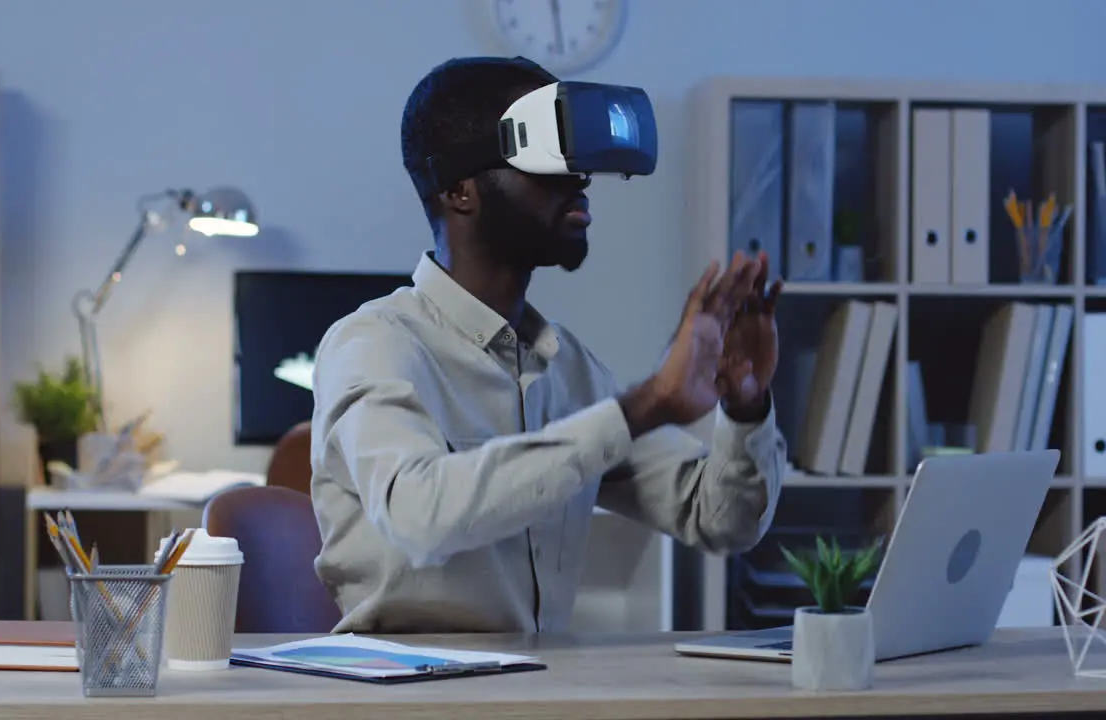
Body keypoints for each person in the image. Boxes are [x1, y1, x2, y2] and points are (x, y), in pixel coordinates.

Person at [309, 56, 789, 634]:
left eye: (579, 162)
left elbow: (720, 519)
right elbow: (419, 515)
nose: (579, 181)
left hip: (542, 689)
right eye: (548, 159)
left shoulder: (571, 374)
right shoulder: (375, 345)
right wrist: (641, 408)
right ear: (460, 191)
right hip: (410, 695)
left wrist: (744, 407)